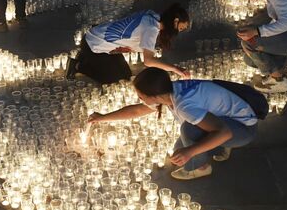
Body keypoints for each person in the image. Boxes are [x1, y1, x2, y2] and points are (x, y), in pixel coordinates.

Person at [87, 68, 265, 180]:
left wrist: (190, 152)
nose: (140, 99)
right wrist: (103, 117)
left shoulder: (185, 105)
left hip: (243, 128)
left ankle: (201, 167)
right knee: (180, 148)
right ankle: (217, 147)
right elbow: (137, 111)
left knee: (188, 132)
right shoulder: (170, 88)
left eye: (141, 96)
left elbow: (224, 132)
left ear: (154, 96)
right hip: (230, 118)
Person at [66, 4, 191, 84]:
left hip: (101, 39)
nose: (178, 33)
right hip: (93, 44)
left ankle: (86, 58)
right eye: (180, 29)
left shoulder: (152, 15)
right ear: (175, 22)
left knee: (126, 76)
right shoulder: (152, 28)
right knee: (112, 80)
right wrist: (176, 69)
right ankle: (78, 65)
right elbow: (148, 61)